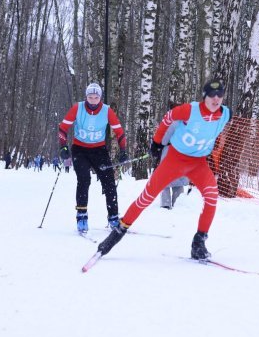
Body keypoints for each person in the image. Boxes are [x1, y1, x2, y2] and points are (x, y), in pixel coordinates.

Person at [97, 79, 230, 260]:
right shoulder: (190, 110)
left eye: (220, 96)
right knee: (146, 197)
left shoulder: (225, 115)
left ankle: (199, 242)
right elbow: (169, 117)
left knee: (212, 197)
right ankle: (116, 235)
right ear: (204, 97)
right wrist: (157, 141)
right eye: (212, 96)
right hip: (175, 159)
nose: (216, 100)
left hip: (198, 163)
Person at [58, 82, 128, 233]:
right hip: (80, 149)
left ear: (100, 98)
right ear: (86, 96)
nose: (93, 100)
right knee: (84, 180)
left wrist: (123, 150)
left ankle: (113, 217)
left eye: (96, 97)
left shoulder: (107, 110)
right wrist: (63, 147)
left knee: (109, 181)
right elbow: (63, 128)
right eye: (90, 97)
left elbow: (119, 131)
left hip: (99, 150)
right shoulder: (78, 107)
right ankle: (81, 215)